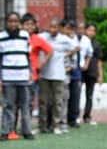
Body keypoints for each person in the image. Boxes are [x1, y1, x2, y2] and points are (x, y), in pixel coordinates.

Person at [38, 18, 78, 134]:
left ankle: (56, 125)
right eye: (50, 27)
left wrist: (66, 54)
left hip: (59, 74)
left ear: (59, 28)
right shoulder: (43, 37)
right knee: (44, 101)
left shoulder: (64, 39)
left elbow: (76, 47)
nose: (52, 29)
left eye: (55, 27)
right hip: (44, 74)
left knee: (57, 102)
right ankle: (43, 126)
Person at [0, 11, 34, 140]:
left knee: (25, 105)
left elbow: (27, 55)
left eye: (15, 21)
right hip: (8, 77)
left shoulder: (25, 35)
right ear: (6, 22)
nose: (13, 24)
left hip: (23, 76)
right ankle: (5, 131)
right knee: (8, 105)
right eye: (10, 21)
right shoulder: (1, 37)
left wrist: (30, 72)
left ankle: (27, 131)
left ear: (19, 23)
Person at [21, 13, 52, 122]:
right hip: (17, 74)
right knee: (16, 102)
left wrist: (42, 63)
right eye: (27, 24)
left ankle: (27, 124)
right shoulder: (18, 37)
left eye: (32, 24)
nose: (29, 27)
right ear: (22, 25)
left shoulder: (36, 39)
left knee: (29, 101)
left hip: (32, 75)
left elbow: (49, 50)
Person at [82, 23, 103, 125]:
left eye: (93, 31)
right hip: (81, 71)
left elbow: (99, 60)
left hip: (92, 71)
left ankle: (87, 115)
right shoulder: (80, 42)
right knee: (75, 94)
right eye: (89, 30)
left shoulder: (96, 44)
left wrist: (100, 75)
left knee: (89, 95)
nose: (91, 32)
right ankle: (73, 116)